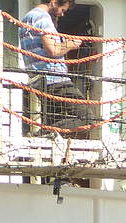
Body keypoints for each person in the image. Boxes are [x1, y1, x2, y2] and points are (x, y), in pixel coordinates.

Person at [20, 0, 84, 129]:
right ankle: (43, 134)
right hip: (55, 80)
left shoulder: (27, 18)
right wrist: (71, 44)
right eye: (63, 10)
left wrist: (63, 45)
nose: (62, 14)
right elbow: (53, 50)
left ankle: (47, 135)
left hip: (39, 80)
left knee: (54, 119)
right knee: (88, 118)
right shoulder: (43, 18)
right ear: (54, 2)